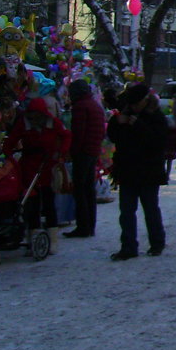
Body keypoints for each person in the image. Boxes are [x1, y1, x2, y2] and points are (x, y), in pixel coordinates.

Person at [3, 96, 72, 254]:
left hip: (48, 166)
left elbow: (66, 135)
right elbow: (11, 141)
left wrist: (61, 153)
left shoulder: (53, 123)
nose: (34, 119)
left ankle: (52, 239)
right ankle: (33, 237)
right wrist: (6, 157)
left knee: (49, 203)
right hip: (29, 168)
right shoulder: (23, 124)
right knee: (31, 205)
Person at [108, 85, 167, 260]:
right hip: (127, 169)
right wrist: (117, 123)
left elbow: (158, 141)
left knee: (150, 209)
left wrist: (137, 124)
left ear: (145, 100)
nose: (134, 107)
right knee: (126, 211)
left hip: (149, 170)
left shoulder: (156, 115)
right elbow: (113, 135)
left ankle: (157, 243)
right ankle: (128, 246)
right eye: (132, 104)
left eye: (137, 103)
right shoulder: (125, 113)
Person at [64, 79, 105, 239]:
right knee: (89, 189)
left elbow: (78, 132)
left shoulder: (80, 107)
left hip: (83, 151)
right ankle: (90, 225)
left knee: (80, 190)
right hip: (93, 150)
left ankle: (83, 226)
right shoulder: (95, 105)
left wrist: (72, 151)